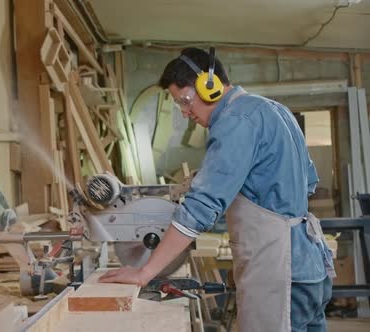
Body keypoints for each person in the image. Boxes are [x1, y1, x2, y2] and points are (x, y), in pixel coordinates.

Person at [99, 47, 336, 332]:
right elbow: (306, 182)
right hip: (309, 269)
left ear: (208, 86)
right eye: (179, 105)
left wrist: (144, 271)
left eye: (186, 101)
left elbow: (200, 209)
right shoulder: (274, 110)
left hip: (280, 272)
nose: (186, 113)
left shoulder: (234, 120)